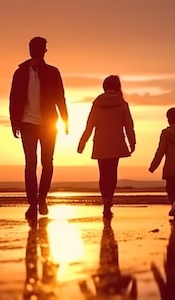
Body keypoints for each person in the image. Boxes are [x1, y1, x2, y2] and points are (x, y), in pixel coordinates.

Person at [9, 37, 69, 219]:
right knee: (31, 164)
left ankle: (41, 199)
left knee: (47, 163)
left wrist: (65, 120)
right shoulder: (20, 72)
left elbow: (60, 96)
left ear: (44, 51)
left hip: (49, 122)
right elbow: (13, 99)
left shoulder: (52, 72)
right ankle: (33, 204)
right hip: (27, 123)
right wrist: (15, 122)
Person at [77, 75, 136, 217]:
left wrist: (82, 142)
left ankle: (105, 199)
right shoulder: (122, 104)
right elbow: (129, 126)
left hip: (100, 143)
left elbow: (89, 126)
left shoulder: (97, 104)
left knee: (103, 173)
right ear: (117, 87)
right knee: (113, 172)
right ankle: (109, 197)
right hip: (116, 143)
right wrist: (132, 142)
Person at [148, 107, 175, 217]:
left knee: (170, 188)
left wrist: (153, 166)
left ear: (168, 119)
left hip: (170, 167)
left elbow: (161, 150)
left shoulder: (165, 133)